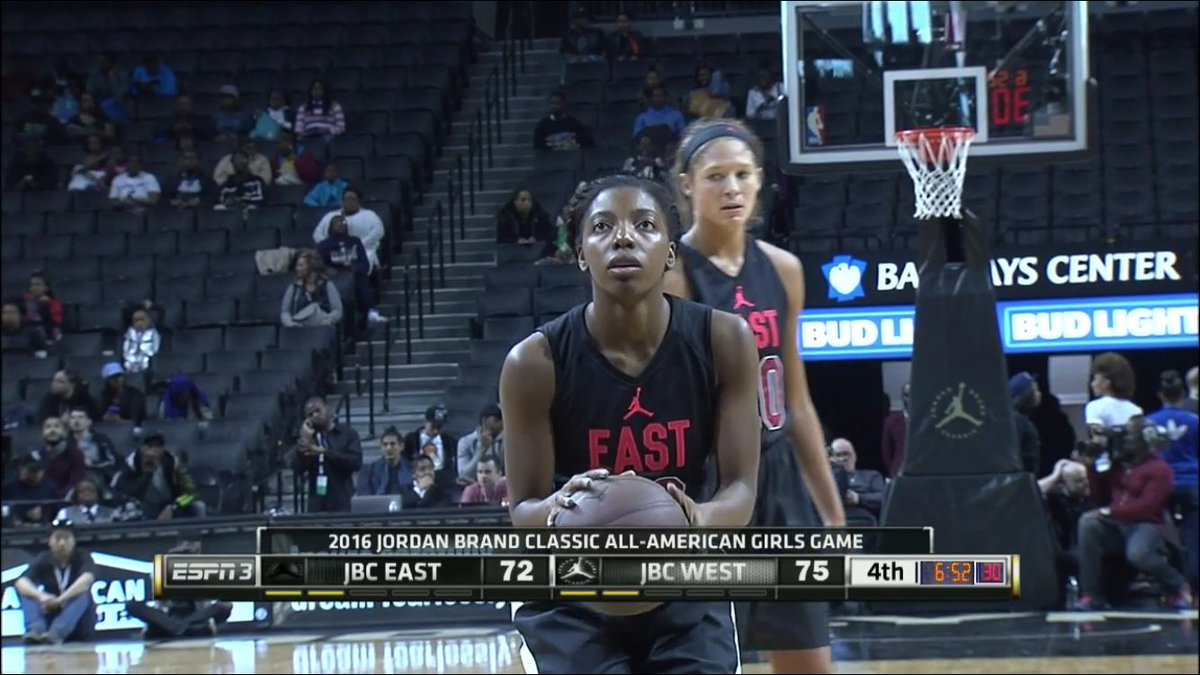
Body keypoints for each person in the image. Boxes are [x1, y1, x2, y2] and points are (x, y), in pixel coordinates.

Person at [501, 174, 761, 673]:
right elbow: (523, 510)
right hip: (570, 589)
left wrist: (699, 519)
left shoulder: (724, 340)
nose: (623, 237)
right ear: (580, 253)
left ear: (669, 251)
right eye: (602, 227)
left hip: (684, 577)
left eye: (644, 224)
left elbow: (741, 490)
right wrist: (557, 508)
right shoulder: (533, 363)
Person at [663, 119, 844, 674]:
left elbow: (798, 398)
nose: (732, 188)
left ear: (761, 180)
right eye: (715, 176)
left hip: (780, 475)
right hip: (710, 481)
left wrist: (832, 514)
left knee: (809, 660)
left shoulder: (784, 270)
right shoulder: (671, 272)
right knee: (708, 659)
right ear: (687, 185)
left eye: (743, 174)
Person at [1146, 370, 1198, 594]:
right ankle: (1195, 584)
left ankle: (1172, 583)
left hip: (1162, 486)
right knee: (1193, 536)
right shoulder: (1195, 421)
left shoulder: (1148, 423)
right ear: (1183, 394)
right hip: (1192, 484)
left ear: (1160, 395)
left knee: (1163, 536)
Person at [14, 519, 96, 644]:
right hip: (50, 613)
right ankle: (35, 630)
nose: (62, 543)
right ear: (50, 541)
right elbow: (21, 582)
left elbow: (86, 580)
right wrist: (42, 597)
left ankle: (57, 633)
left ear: (74, 541)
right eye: (57, 538)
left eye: (66, 538)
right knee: (27, 591)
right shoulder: (44, 558)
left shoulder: (83, 557)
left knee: (83, 593)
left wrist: (61, 600)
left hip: (78, 621)